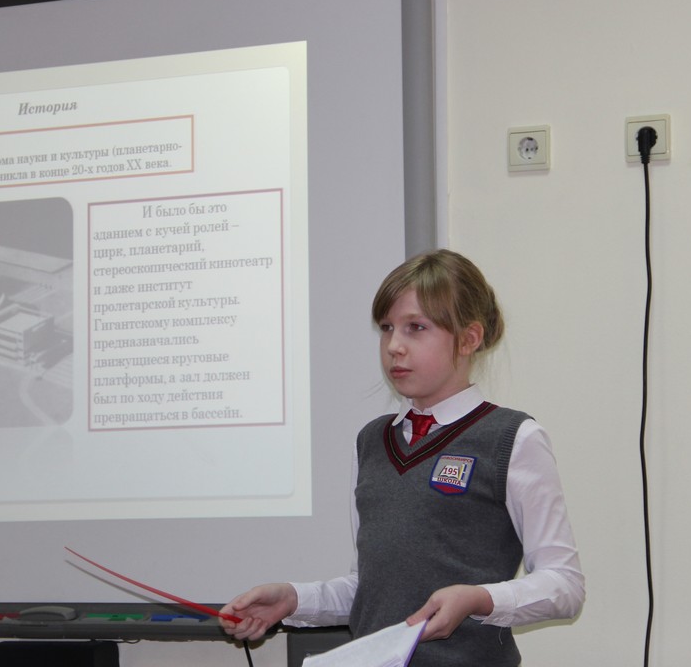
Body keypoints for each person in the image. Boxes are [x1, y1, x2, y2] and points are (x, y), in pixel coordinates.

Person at [220, 249, 584, 666]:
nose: (394, 346)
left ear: (469, 339)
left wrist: (479, 599)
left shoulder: (513, 438)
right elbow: (371, 589)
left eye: (416, 328)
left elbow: (565, 585)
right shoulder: (372, 441)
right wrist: (293, 599)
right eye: (387, 328)